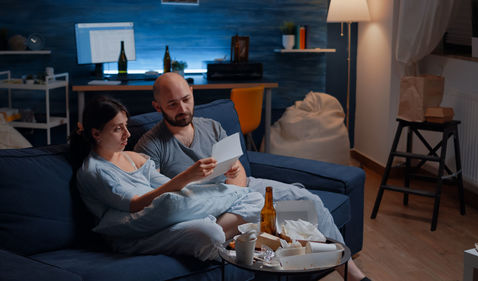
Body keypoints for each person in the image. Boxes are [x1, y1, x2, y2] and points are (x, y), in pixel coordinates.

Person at [134, 73, 371, 281]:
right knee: (274, 219)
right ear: (158, 107)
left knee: (310, 202)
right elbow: (152, 199)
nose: (183, 109)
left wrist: (237, 187)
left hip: (242, 191)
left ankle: (353, 275)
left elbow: (238, 170)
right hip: (206, 207)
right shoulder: (150, 146)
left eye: (186, 99)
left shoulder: (212, 126)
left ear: (193, 93)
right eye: (173, 104)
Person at [69, 96, 264, 261]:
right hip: (136, 232)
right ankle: (224, 233)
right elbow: (136, 205)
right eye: (117, 129)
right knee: (201, 227)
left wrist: (209, 175)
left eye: (126, 126)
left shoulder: (131, 157)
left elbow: (168, 186)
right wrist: (186, 177)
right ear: (96, 134)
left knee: (254, 198)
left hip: (169, 216)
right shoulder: (93, 171)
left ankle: (215, 229)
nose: (127, 134)